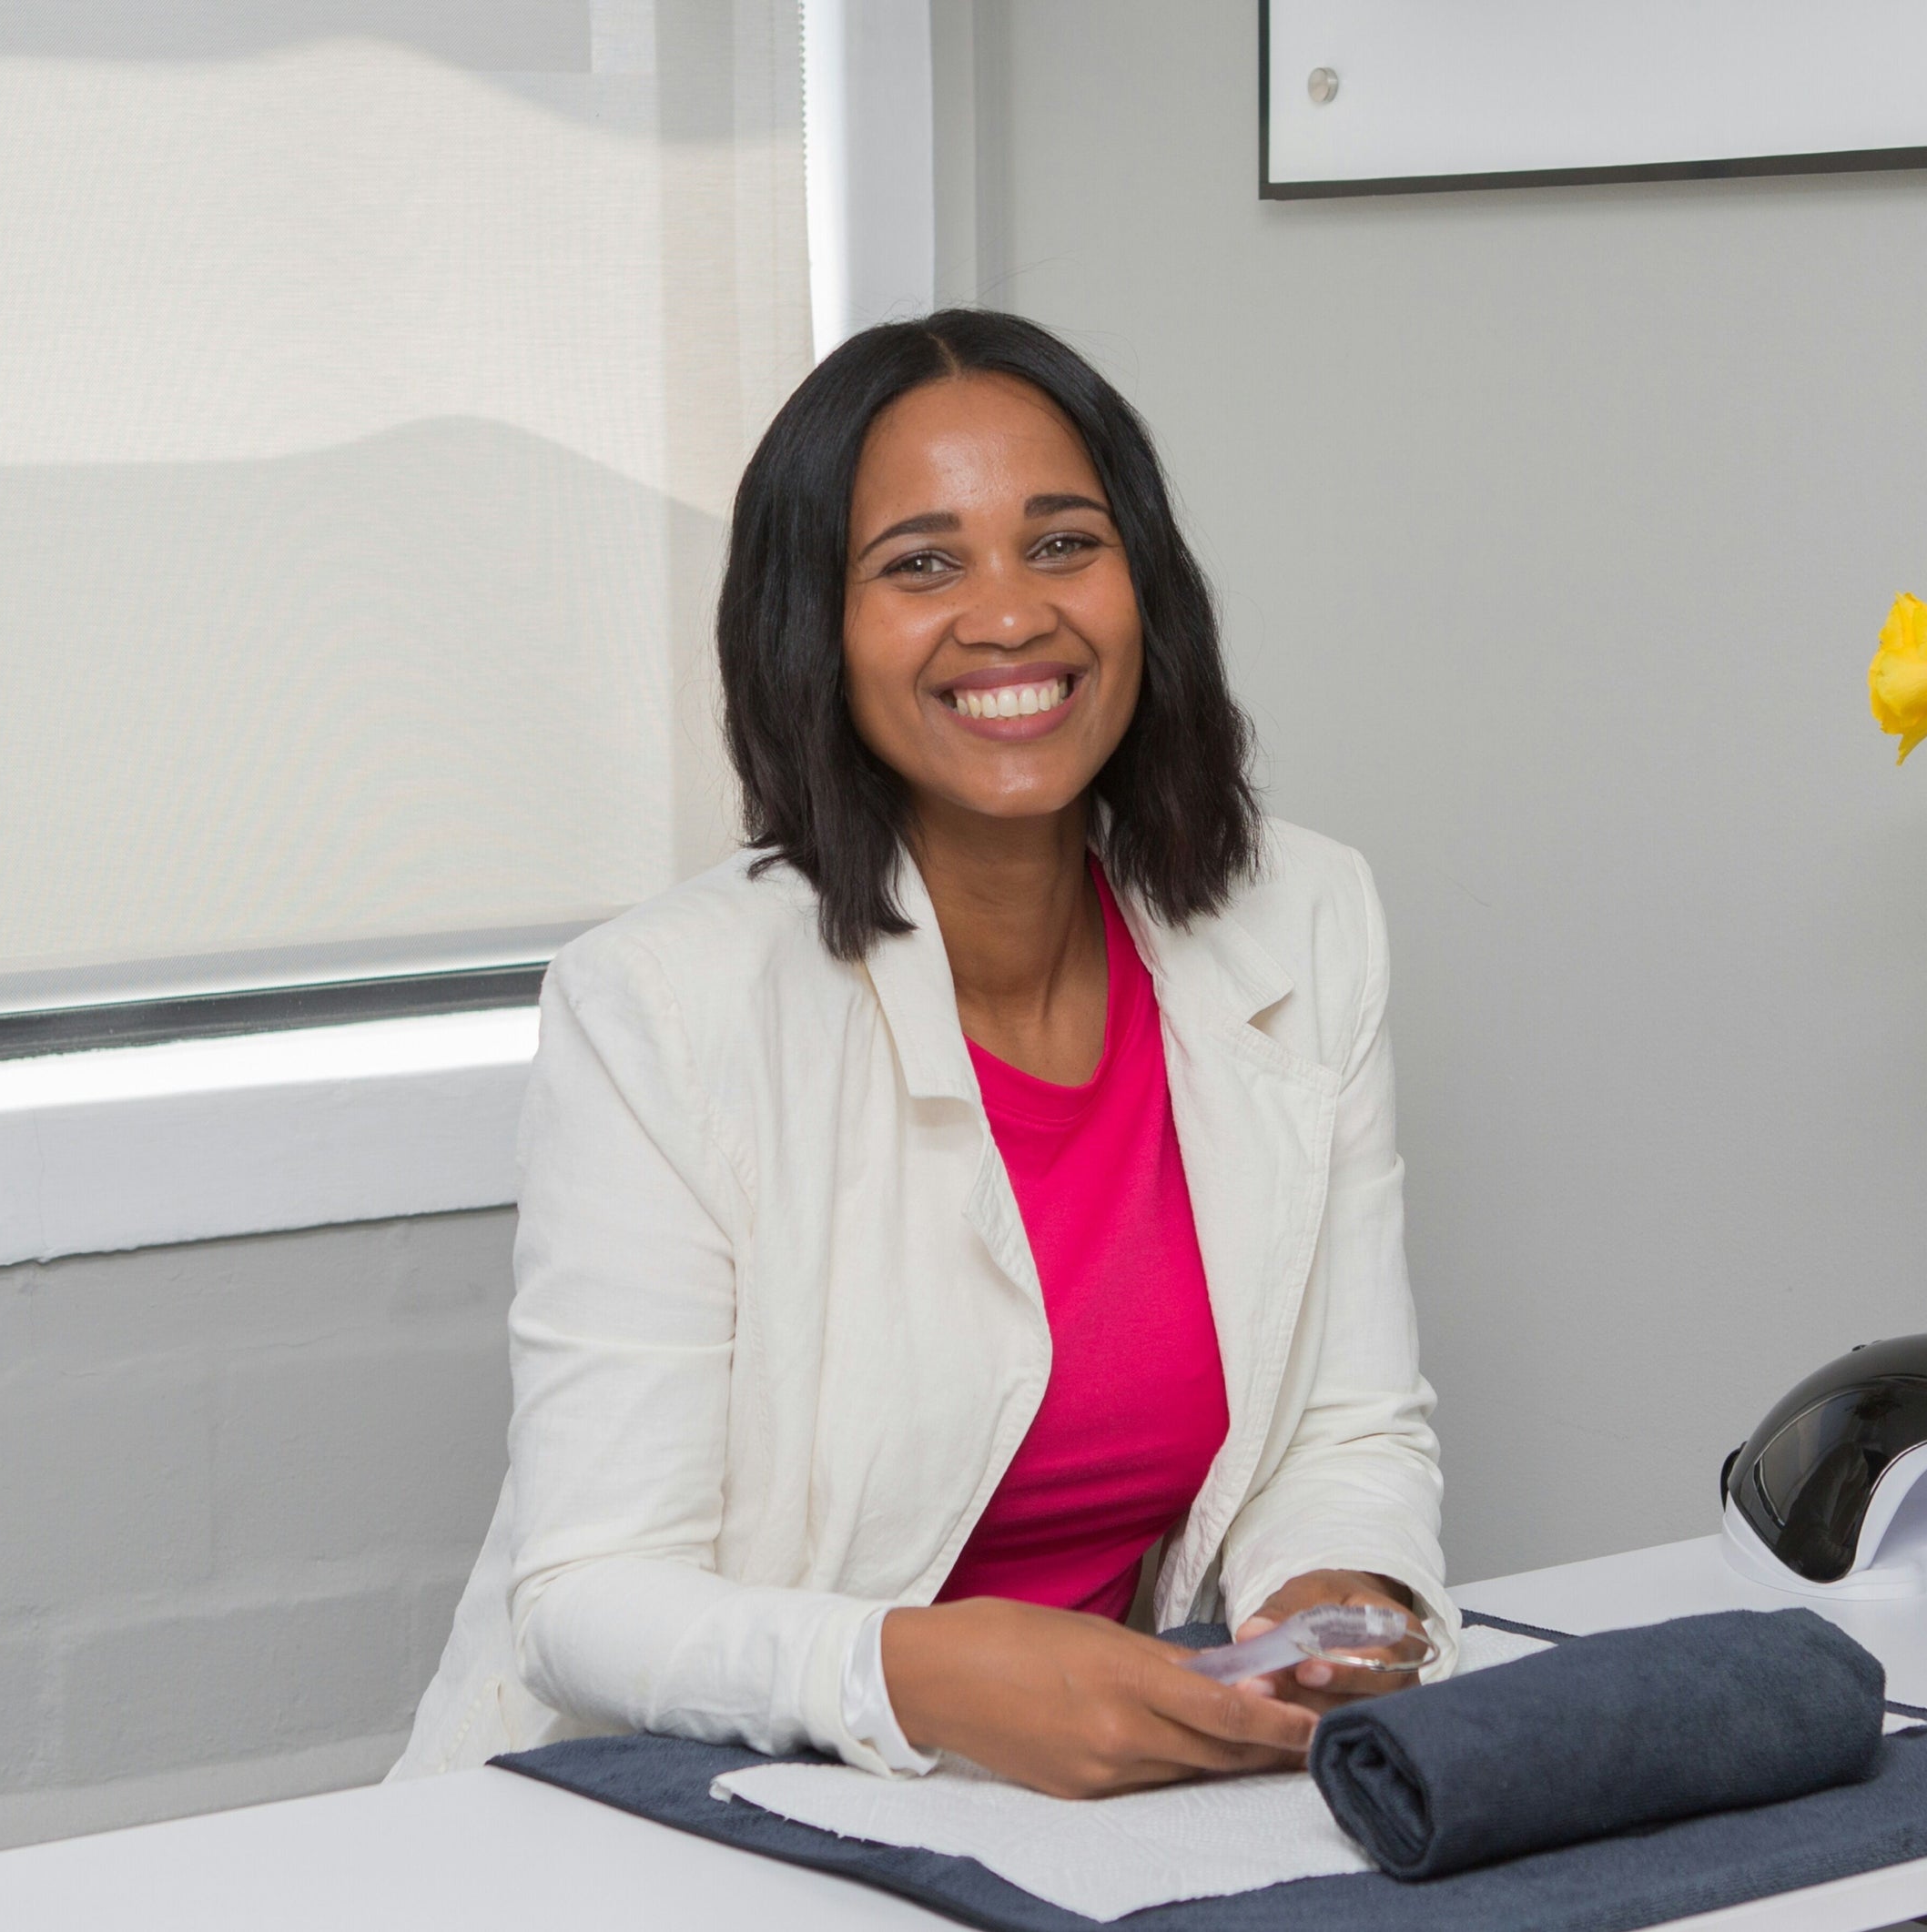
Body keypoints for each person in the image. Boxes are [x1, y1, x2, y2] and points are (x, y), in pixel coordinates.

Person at [390, 310, 1453, 1798]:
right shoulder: (657, 1006)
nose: (1010, 617)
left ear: (1146, 583)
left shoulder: (1308, 917)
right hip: (686, 1817)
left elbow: (1346, 1422)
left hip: (1088, 1821)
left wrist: (1333, 1600)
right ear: (811, 626)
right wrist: (924, 1671)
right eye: (921, 564)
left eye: (1064, 543)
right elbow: (586, 1600)